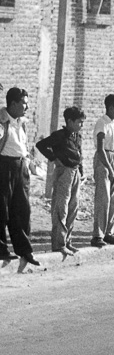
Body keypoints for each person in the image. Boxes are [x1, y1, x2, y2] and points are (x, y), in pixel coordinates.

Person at [36, 107, 86, 260]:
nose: (81, 126)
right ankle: (59, 243)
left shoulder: (77, 136)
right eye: (79, 122)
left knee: (73, 207)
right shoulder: (59, 136)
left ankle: (67, 241)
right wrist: (54, 158)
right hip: (64, 172)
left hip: (75, 172)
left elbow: (79, 153)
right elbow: (41, 145)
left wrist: (81, 171)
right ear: (69, 121)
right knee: (61, 208)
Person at [0, 87, 40, 271]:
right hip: (4, 166)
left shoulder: (21, 122)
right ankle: (1, 249)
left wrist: (30, 164)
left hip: (21, 167)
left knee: (22, 210)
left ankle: (25, 250)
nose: (27, 106)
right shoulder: (2, 120)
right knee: (3, 210)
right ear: (13, 103)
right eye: (24, 103)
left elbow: (24, 147)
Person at [91, 94, 114, 248]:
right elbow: (100, 148)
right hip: (103, 159)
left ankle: (108, 232)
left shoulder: (112, 124)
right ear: (110, 107)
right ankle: (97, 235)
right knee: (103, 199)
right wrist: (109, 167)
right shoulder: (102, 123)